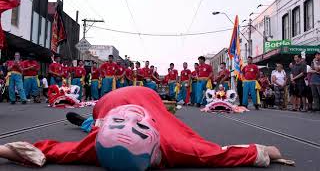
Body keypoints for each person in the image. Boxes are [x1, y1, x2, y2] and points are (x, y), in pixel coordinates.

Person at [0, 87, 294, 170]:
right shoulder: (176, 146)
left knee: (96, 126)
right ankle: (90, 122)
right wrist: (266, 152)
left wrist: (266, 152)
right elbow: (220, 154)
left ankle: (90, 122)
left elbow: (44, 150)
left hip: (118, 102)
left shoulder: (94, 148)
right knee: (96, 126)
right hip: (116, 102)